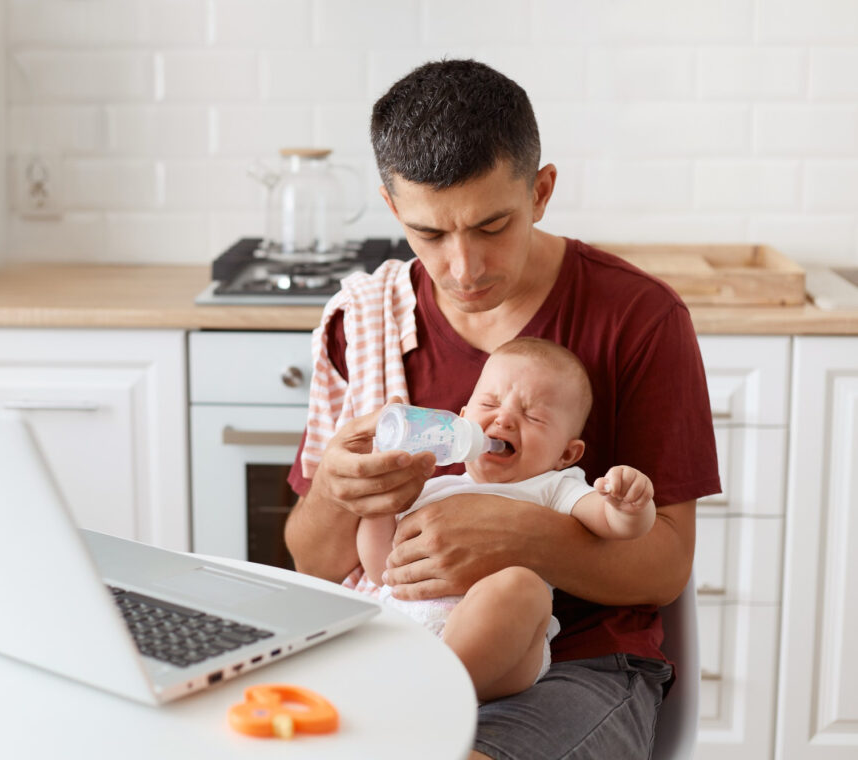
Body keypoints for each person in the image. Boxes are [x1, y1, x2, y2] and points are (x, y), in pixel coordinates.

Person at [284, 58, 721, 759]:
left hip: (578, 660)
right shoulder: (360, 322)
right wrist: (343, 493)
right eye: (430, 234)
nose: (464, 268)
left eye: (492, 226)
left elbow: (664, 565)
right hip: (388, 637)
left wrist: (518, 538)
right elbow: (314, 563)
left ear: (541, 192)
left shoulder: (638, 318)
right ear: (394, 208)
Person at [357, 338, 656, 704]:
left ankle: (434, 695)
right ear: (461, 420)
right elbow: (379, 569)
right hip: (407, 632)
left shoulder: (552, 486)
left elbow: (614, 525)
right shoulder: (430, 489)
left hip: (503, 656)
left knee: (523, 587)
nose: (503, 419)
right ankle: (422, 689)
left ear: (566, 453)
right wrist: (378, 504)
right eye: (490, 403)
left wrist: (629, 504)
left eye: (532, 416)